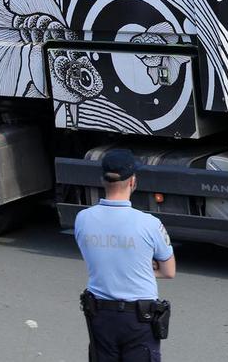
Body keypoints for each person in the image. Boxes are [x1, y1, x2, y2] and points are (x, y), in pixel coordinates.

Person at [75, 148, 175, 362]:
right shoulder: (150, 224)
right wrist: (138, 265)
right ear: (132, 182)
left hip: (100, 315)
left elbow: (98, 259)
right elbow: (169, 271)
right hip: (139, 318)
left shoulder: (82, 219)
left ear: (103, 180)